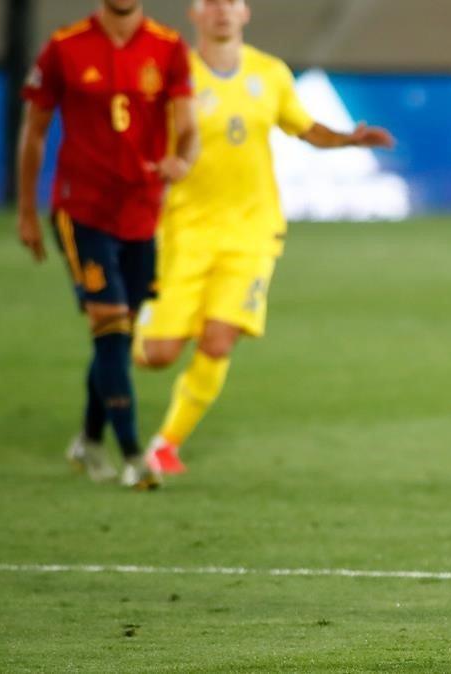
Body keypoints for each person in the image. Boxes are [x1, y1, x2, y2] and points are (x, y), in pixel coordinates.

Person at [133, 0, 395, 480]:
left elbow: (304, 128)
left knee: (218, 338)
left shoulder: (269, 73)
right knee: (158, 355)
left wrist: (348, 140)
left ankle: (164, 445)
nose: (222, 12)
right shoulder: (175, 75)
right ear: (194, 13)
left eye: (231, 3)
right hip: (186, 231)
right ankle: (131, 319)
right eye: (211, 3)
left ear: (245, 13)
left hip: (252, 232)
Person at [17, 0, 197, 490]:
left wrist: (181, 160)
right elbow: (34, 133)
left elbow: (188, 129)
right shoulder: (65, 47)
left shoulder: (168, 48)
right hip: (82, 211)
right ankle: (134, 455)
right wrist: (27, 211)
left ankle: (89, 439)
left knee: (114, 335)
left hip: (141, 213)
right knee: (111, 323)